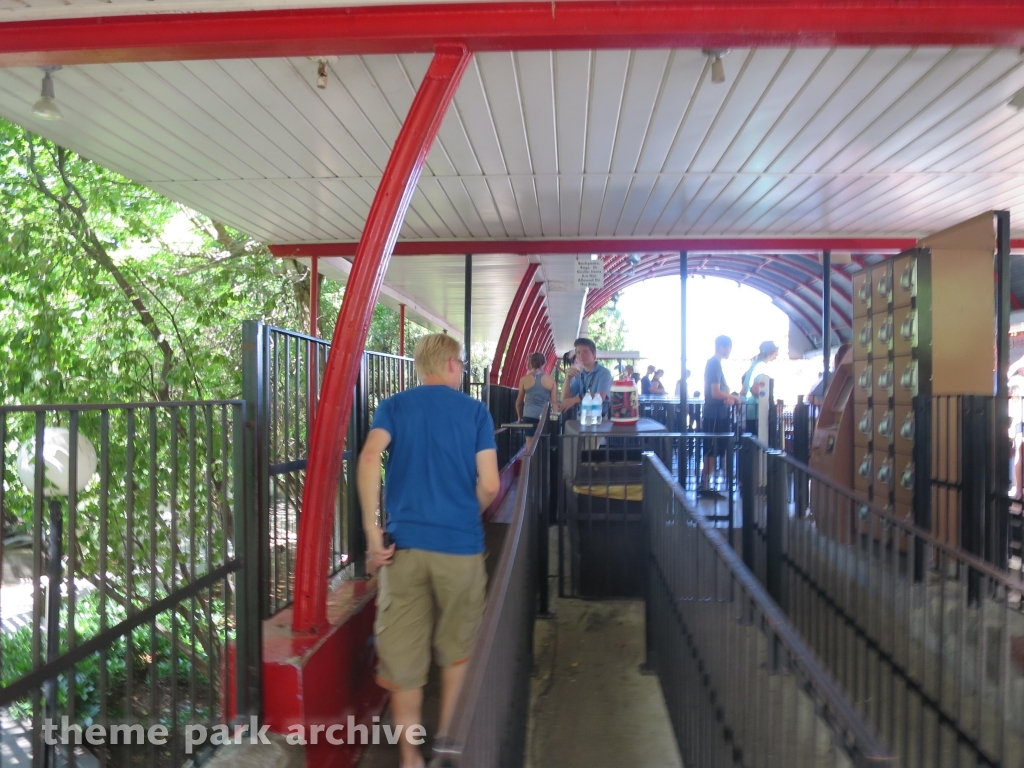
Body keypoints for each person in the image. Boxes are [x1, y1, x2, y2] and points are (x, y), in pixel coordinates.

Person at [358, 333, 501, 768]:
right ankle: (446, 747)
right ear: (454, 365)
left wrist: (371, 531)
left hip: (404, 551)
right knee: (456, 651)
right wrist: (465, 509)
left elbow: (368, 457)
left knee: (404, 660)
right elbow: (491, 485)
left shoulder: (395, 407)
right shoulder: (476, 412)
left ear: (422, 367)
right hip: (460, 549)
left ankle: (410, 758)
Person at [702, 335, 741, 493]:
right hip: (714, 416)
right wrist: (733, 398)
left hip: (719, 414)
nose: (730, 350)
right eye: (729, 347)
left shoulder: (715, 364)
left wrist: (728, 397)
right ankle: (705, 485)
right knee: (712, 450)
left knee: (716, 449)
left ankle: (707, 484)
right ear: (722, 347)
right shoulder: (714, 364)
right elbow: (715, 392)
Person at [561, 337, 614, 418]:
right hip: (581, 418)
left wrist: (576, 399)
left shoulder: (604, 373)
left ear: (594, 354)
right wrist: (567, 379)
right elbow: (566, 399)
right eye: (578, 352)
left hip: (600, 419)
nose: (581, 355)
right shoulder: (579, 374)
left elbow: (600, 397)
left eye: (585, 351)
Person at [742, 341, 779, 435]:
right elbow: (754, 389)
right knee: (759, 444)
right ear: (771, 353)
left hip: (749, 411)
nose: (776, 355)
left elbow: (744, 389)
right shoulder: (762, 367)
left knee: (750, 444)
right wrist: (768, 399)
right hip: (758, 412)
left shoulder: (753, 366)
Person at [516, 352, 559, 427]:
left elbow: (519, 403)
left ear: (530, 362)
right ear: (544, 363)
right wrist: (556, 419)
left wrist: (520, 417)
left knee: (530, 439)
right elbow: (554, 402)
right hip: (544, 417)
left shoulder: (524, 380)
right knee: (543, 438)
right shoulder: (551, 380)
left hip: (528, 415)